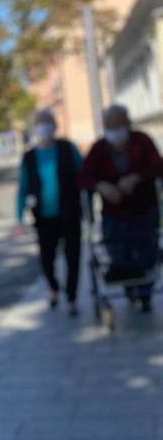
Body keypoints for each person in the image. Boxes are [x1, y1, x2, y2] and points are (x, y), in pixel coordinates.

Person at [78, 103, 163, 311]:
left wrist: (136, 177)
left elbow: (158, 165)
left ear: (127, 124)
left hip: (143, 209)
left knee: (146, 253)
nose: (115, 131)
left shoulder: (142, 141)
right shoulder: (99, 148)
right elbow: (83, 176)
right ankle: (129, 290)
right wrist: (101, 186)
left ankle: (144, 294)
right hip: (114, 213)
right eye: (110, 126)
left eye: (118, 125)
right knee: (118, 255)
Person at [15, 109, 84, 315]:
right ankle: (54, 287)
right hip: (44, 219)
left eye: (47, 122)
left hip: (70, 214)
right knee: (46, 260)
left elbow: (82, 177)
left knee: (73, 258)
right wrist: (19, 219)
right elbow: (23, 188)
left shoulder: (67, 148)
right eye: (40, 123)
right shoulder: (29, 157)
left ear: (54, 125)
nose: (44, 127)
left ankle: (71, 298)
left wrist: (89, 204)